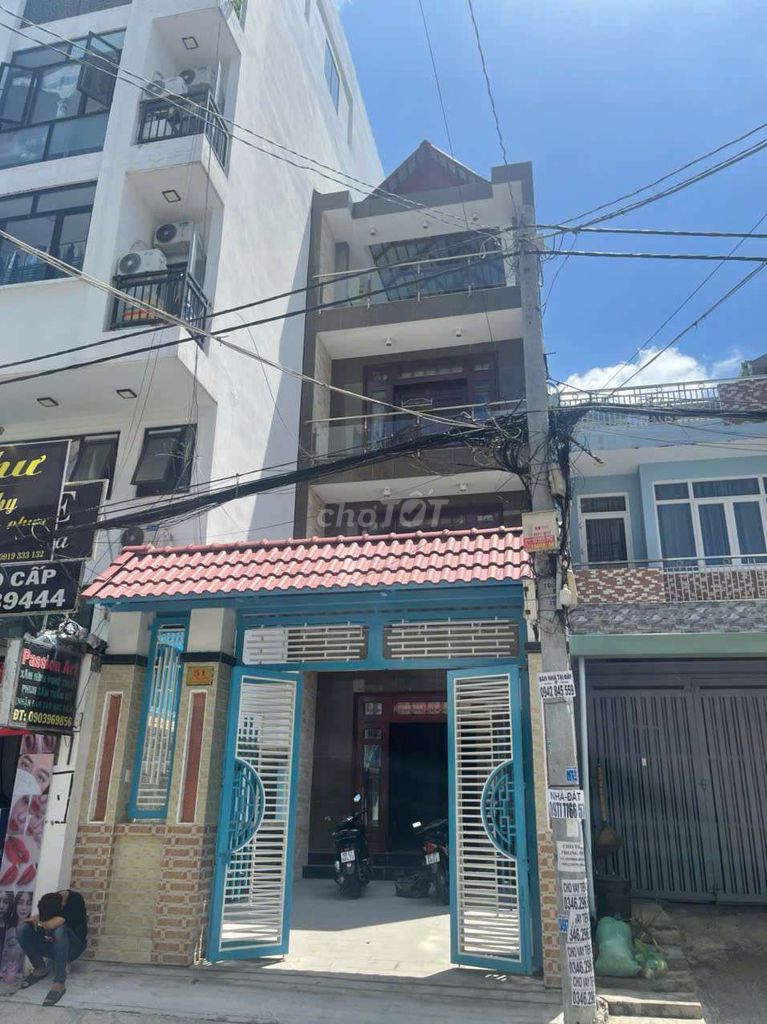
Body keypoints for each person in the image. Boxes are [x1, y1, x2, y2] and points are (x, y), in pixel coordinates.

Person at [16, 889, 87, 1006]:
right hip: (55, 946)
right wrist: (33, 920)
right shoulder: (53, 899)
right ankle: (40, 969)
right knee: (22, 928)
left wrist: (39, 922)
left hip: (73, 948)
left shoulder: (75, 900)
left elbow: (53, 923)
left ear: (63, 905)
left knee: (60, 930)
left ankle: (59, 982)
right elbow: (45, 918)